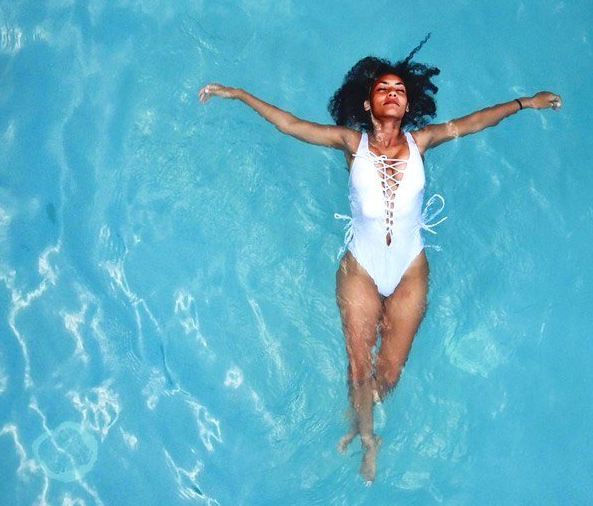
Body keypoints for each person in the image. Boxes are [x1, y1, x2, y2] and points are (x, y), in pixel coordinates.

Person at [198, 43, 561, 482]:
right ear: (368, 101)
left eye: (400, 89)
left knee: (387, 372)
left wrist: (526, 102)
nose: (392, 92)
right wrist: (237, 93)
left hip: (409, 268)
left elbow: (475, 121)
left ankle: (360, 416)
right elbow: (289, 124)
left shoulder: (421, 140)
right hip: (362, 268)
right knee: (357, 364)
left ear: (409, 103)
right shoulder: (351, 143)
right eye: (383, 88)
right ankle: (369, 440)